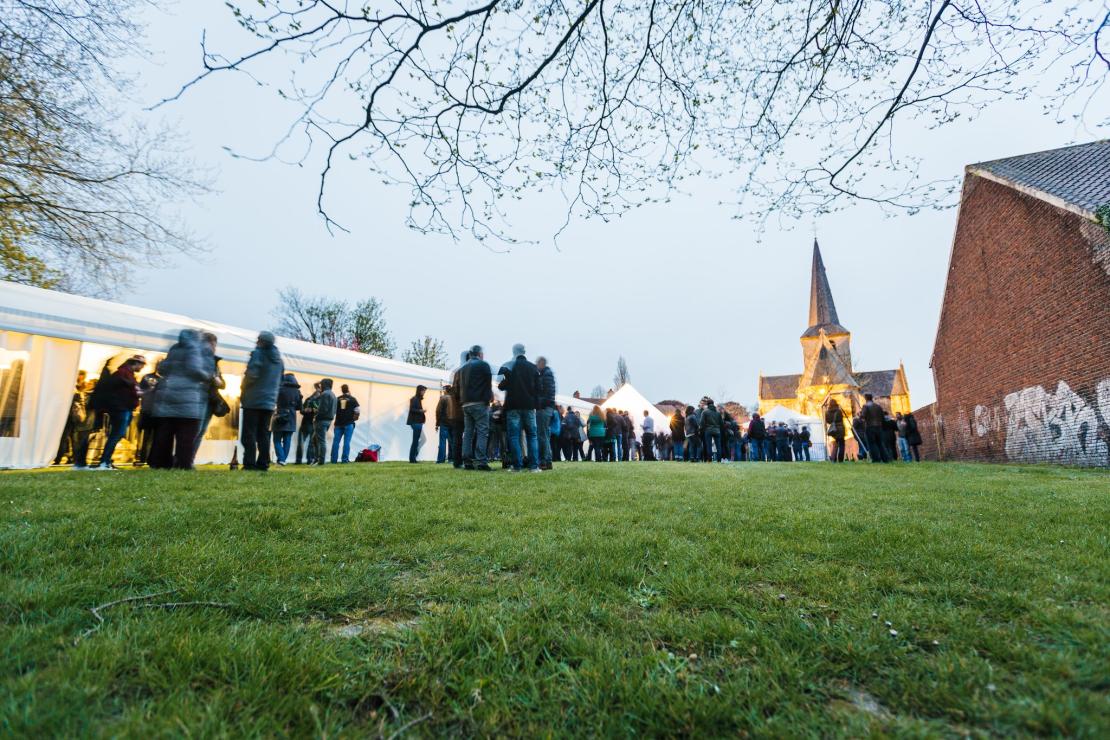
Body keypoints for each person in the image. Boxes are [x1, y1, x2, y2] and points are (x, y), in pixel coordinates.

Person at [148, 329, 216, 470]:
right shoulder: (197, 349)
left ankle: (161, 463)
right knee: (186, 435)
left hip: (167, 394)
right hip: (188, 397)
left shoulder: (174, 348)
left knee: (165, 433)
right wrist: (207, 376)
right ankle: (184, 464)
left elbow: (162, 368)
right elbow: (194, 369)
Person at [240, 331, 284, 471]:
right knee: (264, 434)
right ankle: (263, 463)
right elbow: (280, 381)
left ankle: (249, 463)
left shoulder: (258, 354)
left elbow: (251, 375)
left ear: (261, 341)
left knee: (249, 434)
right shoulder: (279, 360)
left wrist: (243, 388)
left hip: (253, 400)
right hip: (269, 402)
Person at [92, 354, 146, 469]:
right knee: (116, 435)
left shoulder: (126, 374)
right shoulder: (123, 374)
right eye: (142, 365)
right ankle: (104, 461)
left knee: (116, 435)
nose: (142, 368)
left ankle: (105, 460)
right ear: (135, 363)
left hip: (123, 408)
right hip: (122, 409)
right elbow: (128, 390)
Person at [498, 344, 541, 472]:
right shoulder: (533, 367)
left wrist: (507, 379)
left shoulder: (510, 366)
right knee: (532, 436)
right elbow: (539, 388)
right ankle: (534, 467)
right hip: (529, 406)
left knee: (514, 436)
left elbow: (501, 386)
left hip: (513, 406)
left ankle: (517, 466)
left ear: (514, 352)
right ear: (524, 352)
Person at [460, 345, 493, 471]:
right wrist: (488, 399)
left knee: (468, 433)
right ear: (480, 354)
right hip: (479, 403)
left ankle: (467, 461)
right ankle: (481, 462)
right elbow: (488, 384)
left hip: (466, 403)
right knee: (482, 432)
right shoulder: (483, 365)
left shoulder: (463, 367)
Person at [194, 332, 226, 455]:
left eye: (214, 344)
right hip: (198, 398)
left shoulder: (214, 362)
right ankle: (183, 459)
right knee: (196, 430)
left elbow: (223, 384)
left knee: (201, 430)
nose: (213, 347)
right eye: (212, 344)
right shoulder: (196, 358)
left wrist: (218, 381)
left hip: (210, 400)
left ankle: (189, 459)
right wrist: (211, 378)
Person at [54, 370, 87, 464]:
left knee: (64, 438)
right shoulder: (78, 388)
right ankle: (74, 458)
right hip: (74, 416)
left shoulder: (71, 388)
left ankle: (59, 458)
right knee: (73, 438)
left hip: (68, 416)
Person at [272, 373, 302, 465]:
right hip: (291, 417)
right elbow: (299, 407)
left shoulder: (279, 389)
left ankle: (281, 459)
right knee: (287, 440)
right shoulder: (297, 392)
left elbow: (274, 400)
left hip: (280, 415)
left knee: (276, 439)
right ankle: (282, 460)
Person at [135, 362, 161, 466]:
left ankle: (152, 459)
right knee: (145, 436)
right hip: (147, 410)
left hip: (160, 412)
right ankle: (142, 458)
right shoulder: (147, 377)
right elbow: (139, 391)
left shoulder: (167, 379)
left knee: (157, 437)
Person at [534, 356, 557, 470]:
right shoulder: (547, 374)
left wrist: (539, 404)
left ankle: (544, 461)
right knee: (544, 435)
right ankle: (547, 460)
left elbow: (547, 393)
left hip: (544, 408)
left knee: (542, 435)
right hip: (547, 407)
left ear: (541, 363)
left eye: (537, 363)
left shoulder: (546, 375)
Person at [70, 378, 98, 469]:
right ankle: (78, 461)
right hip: (82, 421)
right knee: (79, 441)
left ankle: (80, 461)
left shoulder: (92, 395)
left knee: (82, 441)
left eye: (90, 383)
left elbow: (89, 406)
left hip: (87, 421)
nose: (88, 383)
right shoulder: (84, 393)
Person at [330, 384, 360, 464]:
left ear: (342, 390)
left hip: (338, 423)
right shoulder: (353, 399)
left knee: (336, 442)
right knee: (346, 442)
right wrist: (353, 419)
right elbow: (357, 411)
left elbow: (333, 410)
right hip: (348, 423)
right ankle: (344, 460)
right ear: (348, 389)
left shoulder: (337, 399)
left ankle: (333, 460)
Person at [312, 379, 337, 464]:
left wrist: (316, 416)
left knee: (321, 441)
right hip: (328, 420)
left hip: (321, 420)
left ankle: (320, 461)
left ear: (324, 384)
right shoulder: (333, 394)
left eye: (321, 384)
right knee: (315, 439)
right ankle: (316, 459)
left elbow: (323, 409)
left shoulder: (325, 394)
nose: (320, 385)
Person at [860, 393, 889, 463]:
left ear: (866, 399)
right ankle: (885, 459)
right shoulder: (878, 406)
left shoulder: (865, 406)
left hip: (870, 427)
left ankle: (876, 459)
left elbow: (863, 416)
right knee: (880, 443)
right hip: (879, 427)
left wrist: (861, 416)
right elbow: (883, 417)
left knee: (872, 444)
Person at [296, 382, 321, 464]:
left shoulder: (318, 399)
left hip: (311, 423)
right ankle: (302, 460)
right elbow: (302, 410)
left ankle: (307, 460)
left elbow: (302, 410)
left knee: (309, 443)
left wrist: (310, 411)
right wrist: (307, 410)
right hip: (307, 423)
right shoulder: (310, 399)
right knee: (305, 443)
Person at [406, 384, 427, 463]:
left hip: (418, 423)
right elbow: (412, 409)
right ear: (419, 390)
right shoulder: (415, 399)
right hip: (415, 423)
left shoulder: (417, 399)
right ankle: (412, 458)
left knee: (422, 439)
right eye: (423, 391)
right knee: (415, 441)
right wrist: (421, 411)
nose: (424, 392)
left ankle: (414, 455)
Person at [435, 385, 453, 464]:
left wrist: (437, 423)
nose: (443, 391)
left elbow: (438, 411)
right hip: (453, 422)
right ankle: (451, 459)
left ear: (446, 390)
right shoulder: (454, 398)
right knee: (452, 441)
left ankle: (441, 460)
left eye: (443, 389)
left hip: (444, 422)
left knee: (442, 442)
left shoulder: (443, 398)